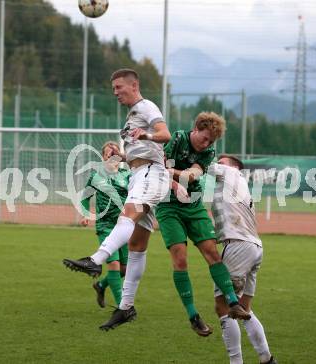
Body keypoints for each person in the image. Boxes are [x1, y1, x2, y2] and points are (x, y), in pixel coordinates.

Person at [62, 68, 171, 330]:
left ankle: (95, 260)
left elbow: (164, 135)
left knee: (127, 217)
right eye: (113, 89)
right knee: (137, 246)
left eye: (119, 87)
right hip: (138, 173)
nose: (115, 92)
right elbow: (141, 149)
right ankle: (126, 308)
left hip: (149, 174)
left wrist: (144, 135)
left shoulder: (146, 107)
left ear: (134, 85)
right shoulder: (133, 114)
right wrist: (123, 157)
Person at [155, 113, 251, 337]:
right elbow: (159, 172)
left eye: (210, 142)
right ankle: (193, 316)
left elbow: (192, 175)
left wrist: (176, 175)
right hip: (169, 208)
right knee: (180, 258)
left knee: (212, 253)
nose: (206, 144)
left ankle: (233, 301)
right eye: (204, 138)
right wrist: (172, 182)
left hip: (193, 206)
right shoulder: (177, 139)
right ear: (196, 128)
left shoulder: (208, 152)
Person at [210, 154, 277, 364]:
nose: (218, 165)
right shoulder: (238, 187)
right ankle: (266, 358)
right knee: (244, 308)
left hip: (238, 246)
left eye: (222, 162)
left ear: (235, 166)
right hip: (254, 247)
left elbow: (202, 164)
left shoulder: (230, 173)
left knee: (223, 306)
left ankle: (236, 362)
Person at [65, 141, 129, 308]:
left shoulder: (127, 175)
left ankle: (100, 286)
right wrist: (85, 214)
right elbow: (85, 198)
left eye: (115, 154)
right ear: (103, 157)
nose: (112, 157)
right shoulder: (96, 176)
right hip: (105, 226)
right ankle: (123, 308)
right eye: (109, 154)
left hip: (124, 227)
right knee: (114, 265)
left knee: (125, 269)